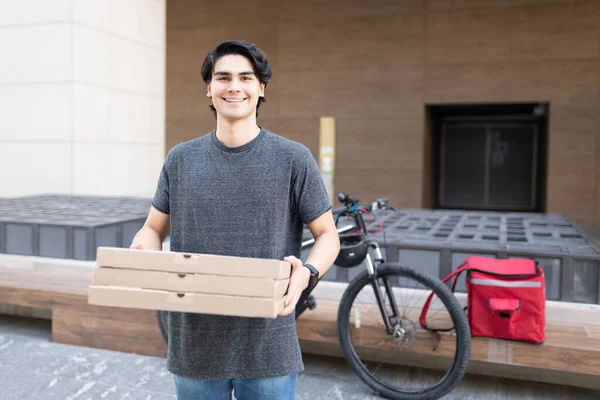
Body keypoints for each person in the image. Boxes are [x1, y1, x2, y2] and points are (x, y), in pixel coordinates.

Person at [129, 39, 340, 399]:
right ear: (209, 89)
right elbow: (153, 227)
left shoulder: (293, 159)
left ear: (261, 88)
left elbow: (327, 235)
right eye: (223, 77)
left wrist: (307, 273)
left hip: (268, 346)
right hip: (194, 346)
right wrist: (145, 250)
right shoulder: (180, 159)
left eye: (246, 77)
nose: (234, 86)